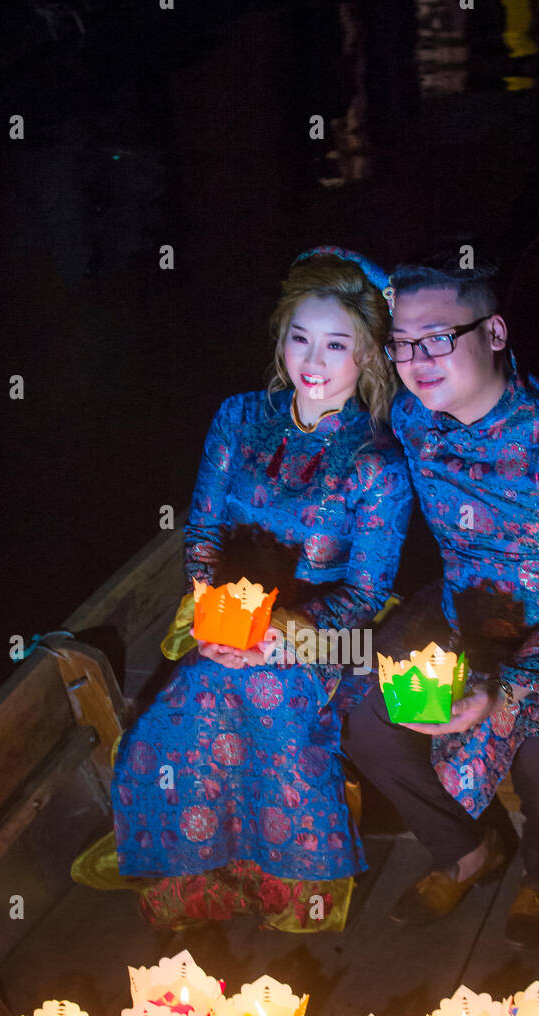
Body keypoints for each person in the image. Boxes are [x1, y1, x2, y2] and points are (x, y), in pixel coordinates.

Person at [104, 248, 412, 932]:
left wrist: (281, 639)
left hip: (321, 630)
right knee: (192, 701)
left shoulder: (379, 463)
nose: (314, 358)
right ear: (280, 339)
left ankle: (285, 878)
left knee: (272, 699)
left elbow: (365, 593)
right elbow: (205, 527)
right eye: (299, 337)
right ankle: (201, 869)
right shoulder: (240, 416)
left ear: (369, 356)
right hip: (222, 617)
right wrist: (215, 613)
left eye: (337, 344)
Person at [342, 251, 539, 949]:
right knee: (366, 716)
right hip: (459, 610)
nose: (417, 359)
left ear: (494, 334)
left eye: (438, 337)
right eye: (402, 343)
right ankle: (466, 851)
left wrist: (503, 686)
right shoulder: (412, 420)